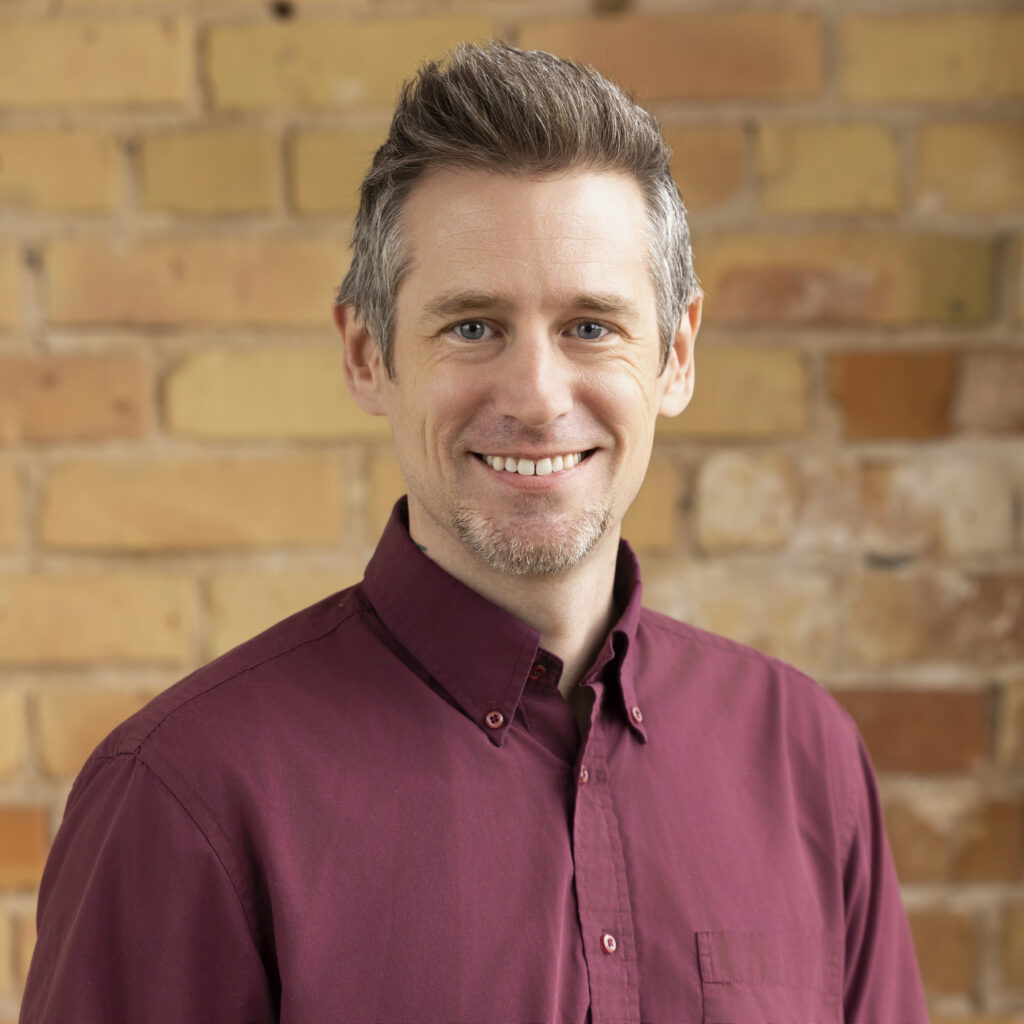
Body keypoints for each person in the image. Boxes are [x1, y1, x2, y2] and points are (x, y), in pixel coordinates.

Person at [21, 42, 927, 1023]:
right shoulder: (185, 793)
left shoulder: (804, 755)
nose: (537, 398)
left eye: (589, 326)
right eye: (472, 327)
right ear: (367, 354)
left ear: (675, 355)